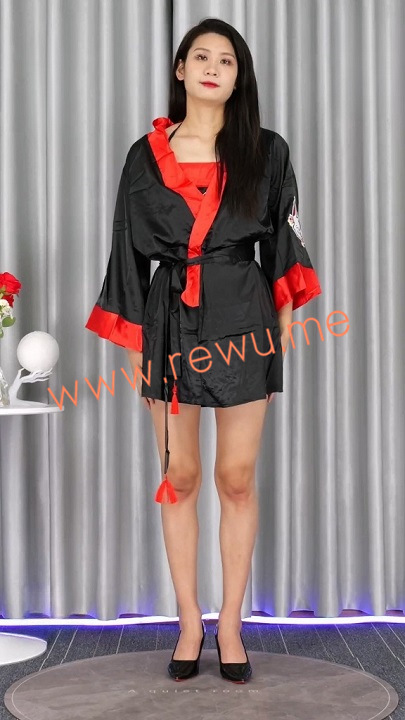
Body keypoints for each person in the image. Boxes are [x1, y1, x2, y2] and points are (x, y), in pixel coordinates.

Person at [85, 17, 322, 683]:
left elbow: (283, 247)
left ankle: (231, 624)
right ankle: (190, 622)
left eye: (227, 59)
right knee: (181, 476)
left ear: (238, 77)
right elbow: (126, 254)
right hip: (167, 322)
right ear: (180, 70)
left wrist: (277, 339)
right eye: (201, 56)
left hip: (244, 316)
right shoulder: (144, 156)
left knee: (235, 477)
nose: (213, 67)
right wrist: (135, 350)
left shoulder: (266, 151)